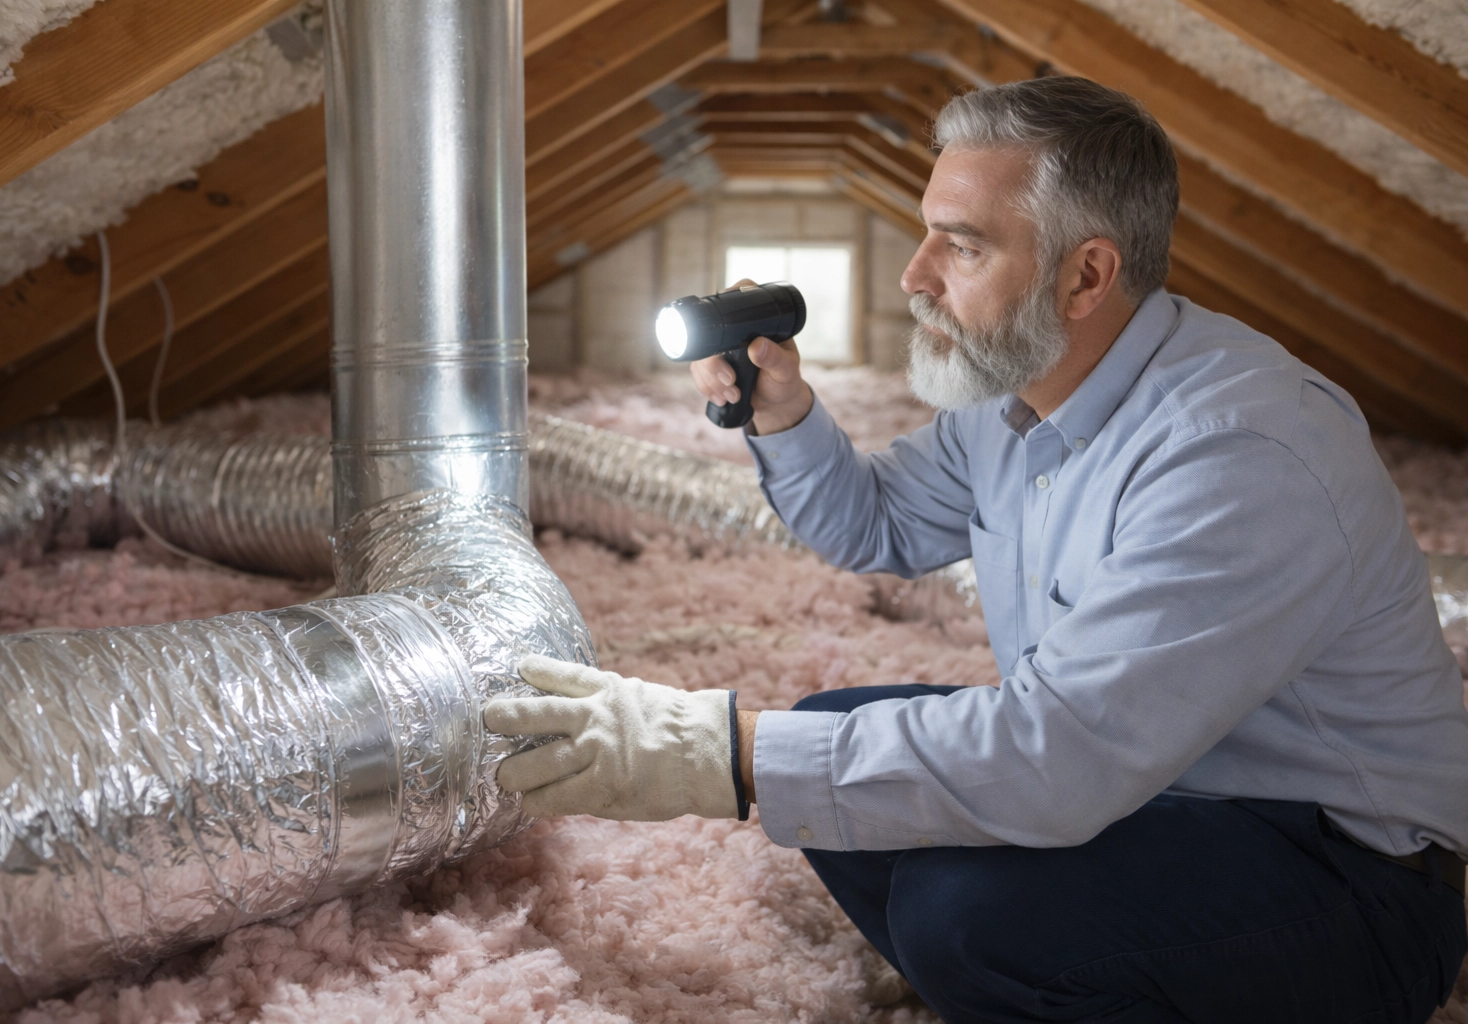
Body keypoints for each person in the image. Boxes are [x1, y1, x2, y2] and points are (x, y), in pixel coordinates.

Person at [484, 76, 1468, 1022]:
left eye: (959, 247)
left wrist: (714, 750)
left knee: (959, 915)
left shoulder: (1238, 450)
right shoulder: (1016, 401)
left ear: (1086, 274)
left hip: (1348, 876)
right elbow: (873, 524)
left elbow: (1058, 758)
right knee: (834, 747)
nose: (916, 278)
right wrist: (784, 412)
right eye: (926, 234)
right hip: (1152, 790)